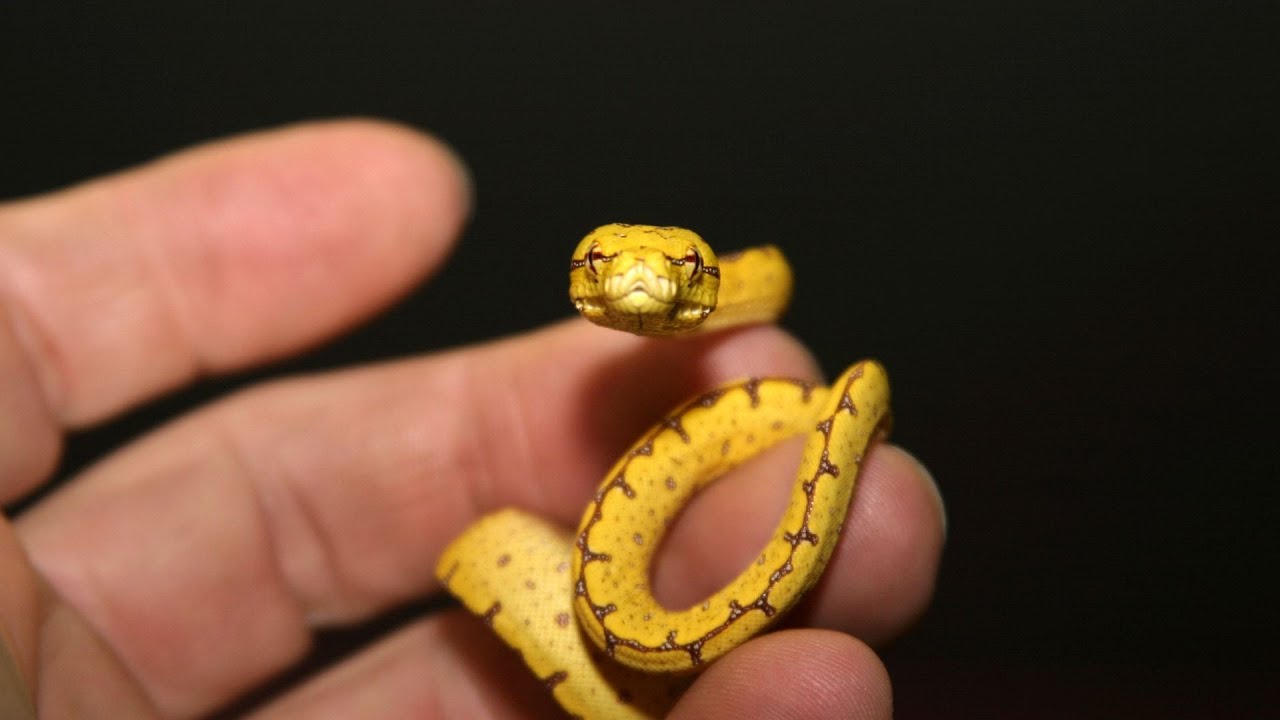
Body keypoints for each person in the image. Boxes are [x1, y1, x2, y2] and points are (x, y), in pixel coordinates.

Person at [0, 120, 946, 719]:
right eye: (603, 267)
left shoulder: (744, 285)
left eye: (675, 272)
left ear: (703, 275)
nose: (636, 281)